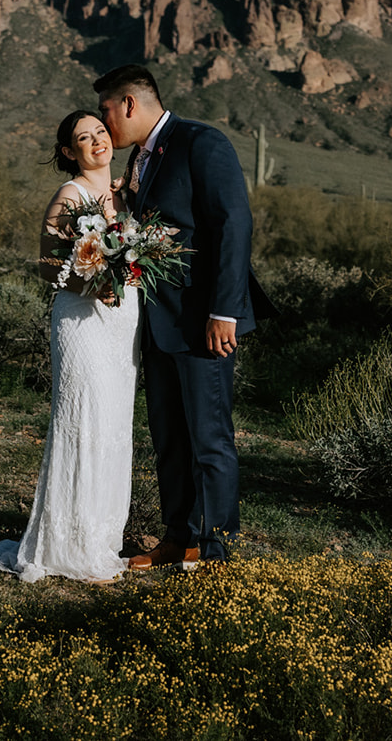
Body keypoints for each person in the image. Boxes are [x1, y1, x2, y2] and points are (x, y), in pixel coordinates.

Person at [95, 64, 273, 570]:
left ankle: (219, 551)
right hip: (156, 324)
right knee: (169, 436)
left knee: (209, 439)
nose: (104, 122)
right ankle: (179, 537)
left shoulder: (201, 142)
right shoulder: (139, 159)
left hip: (203, 323)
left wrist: (225, 312)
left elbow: (232, 224)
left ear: (129, 104)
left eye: (107, 110)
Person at [0, 110, 139, 583]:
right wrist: (93, 283)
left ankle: (100, 539)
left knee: (112, 425)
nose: (97, 142)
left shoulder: (123, 196)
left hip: (121, 324)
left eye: (101, 132)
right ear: (69, 153)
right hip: (83, 322)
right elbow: (48, 264)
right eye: (84, 138)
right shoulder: (72, 195)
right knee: (83, 421)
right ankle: (64, 544)